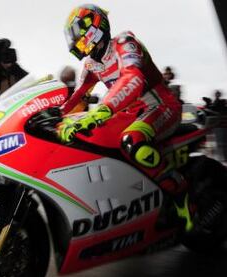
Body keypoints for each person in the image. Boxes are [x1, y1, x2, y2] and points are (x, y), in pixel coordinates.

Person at [58, 4, 191, 230]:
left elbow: (134, 78)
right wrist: (54, 114)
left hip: (160, 105)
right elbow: (76, 95)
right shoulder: (91, 64)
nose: (78, 42)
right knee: (93, 141)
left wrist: (103, 109)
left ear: (95, 27)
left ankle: (180, 197)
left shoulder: (124, 43)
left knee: (133, 141)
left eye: (80, 35)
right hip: (130, 113)